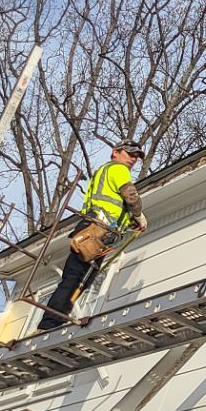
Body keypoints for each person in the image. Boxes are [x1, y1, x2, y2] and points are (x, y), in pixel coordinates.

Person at [38, 140, 149, 331]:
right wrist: (139, 215)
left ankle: (55, 319)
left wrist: (127, 220)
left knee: (81, 278)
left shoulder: (104, 172)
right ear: (115, 152)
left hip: (96, 229)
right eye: (130, 154)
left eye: (136, 157)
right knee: (76, 277)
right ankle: (50, 323)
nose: (133, 159)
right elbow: (130, 196)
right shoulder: (118, 169)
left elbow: (110, 204)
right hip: (97, 230)